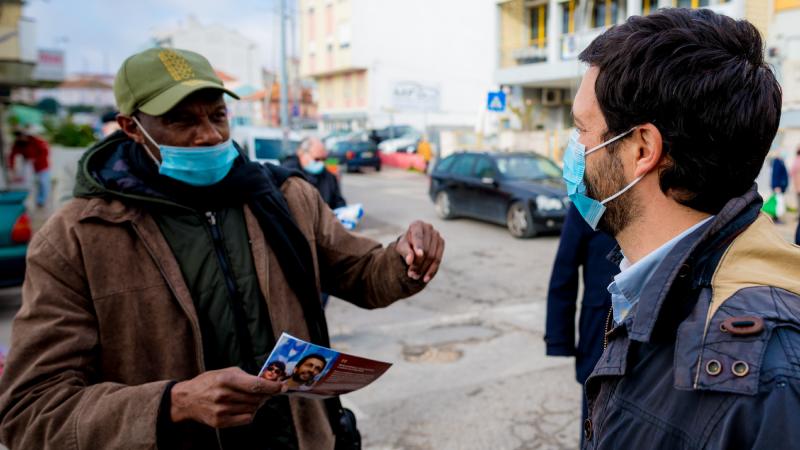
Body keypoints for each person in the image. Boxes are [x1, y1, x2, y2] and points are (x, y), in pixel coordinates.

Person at [0, 48, 445, 450]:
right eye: (182, 121)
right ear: (132, 128)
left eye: (217, 115)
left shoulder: (285, 196)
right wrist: (171, 404)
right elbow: (32, 411)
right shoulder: (76, 237)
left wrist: (406, 258)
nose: (209, 135)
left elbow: (363, 273)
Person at [565, 9, 800, 448]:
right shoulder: (655, 279)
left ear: (643, 149)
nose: (574, 149)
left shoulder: (769, 375)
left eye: (582, 129)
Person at [544, 205, 618, 432]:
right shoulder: (589, 201)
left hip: (652, 334)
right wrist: (559, 339)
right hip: (598, 336)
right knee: (596, 422)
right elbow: (564, 271)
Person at [282, 137, 346, 210]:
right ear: (302, 153)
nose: (321, 163)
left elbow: (338, 201)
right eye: (317, 159)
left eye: (324, 159)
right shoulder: (286, 171)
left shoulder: (328, 173)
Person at [8, 127, 50, 208]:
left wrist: (36, 160)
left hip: (42, 166)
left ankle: (41, 201)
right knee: (28, 184)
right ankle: (28, 201)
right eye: (17, 136)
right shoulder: (18, 143)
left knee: (43, 183)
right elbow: (12, 156)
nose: (19, 138)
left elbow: (45, 152)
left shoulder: (36, 141)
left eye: (20, 136)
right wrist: (12, 168)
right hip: (29, 166)